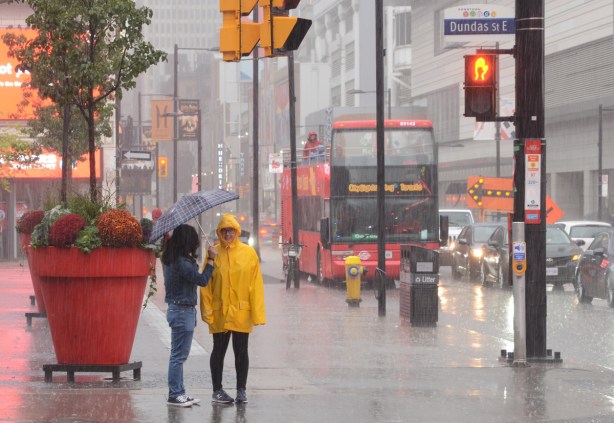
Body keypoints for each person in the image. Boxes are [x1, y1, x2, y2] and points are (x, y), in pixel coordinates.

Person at [200, 214, 266, 404]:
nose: (228, 234)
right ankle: (217, 390)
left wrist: (257, 313)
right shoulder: (213, 253)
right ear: (220, 232)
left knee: (241, 352)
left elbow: (256, 284)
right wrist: (207, 311)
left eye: (231, 230)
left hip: (241, 313)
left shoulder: (248, 253)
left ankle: (241, 390)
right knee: (218, 351)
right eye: (225, 231)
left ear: (237, 231)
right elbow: (206, 285)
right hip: (220, 312)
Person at [162, 224, 218, 408]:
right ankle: (175, 394)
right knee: (178, 356)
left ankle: (179, 392)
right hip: (182, 311)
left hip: (178, 310)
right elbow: (201, 280)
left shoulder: (172, 259)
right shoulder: (182, 263)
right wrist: (210, 260)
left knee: (178, 355)